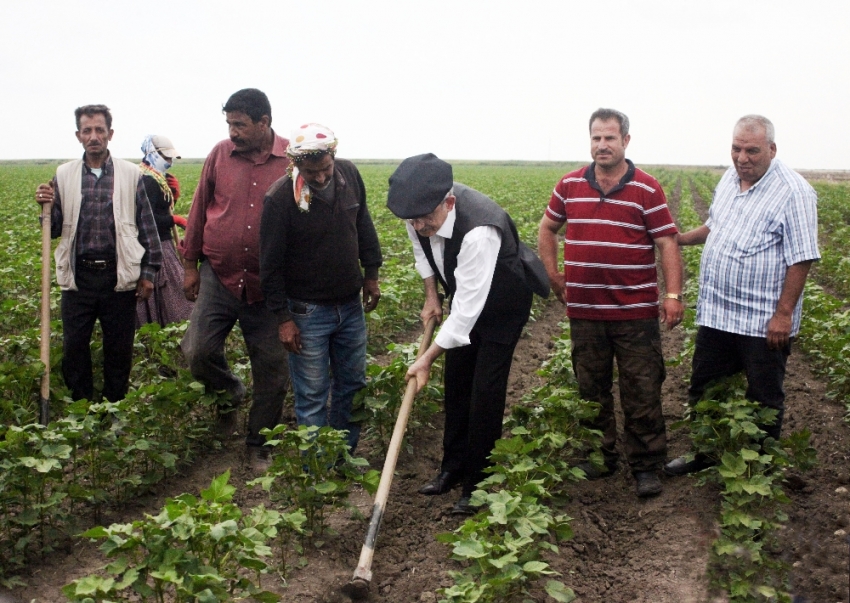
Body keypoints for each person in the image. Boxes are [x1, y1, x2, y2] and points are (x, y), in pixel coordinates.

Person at [386, 153, 548, 515]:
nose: (419, 225)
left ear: (450, 202)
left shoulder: (479, 231)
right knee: (457, 384)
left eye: (427, 218)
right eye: (413, 220)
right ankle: (452, 468)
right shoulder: (417, 212)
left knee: (485, 392)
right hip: (465, 297)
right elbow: (422, 252)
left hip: (502, 306)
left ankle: (478, 484)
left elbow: (466, 314)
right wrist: (431, 295)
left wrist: (426, 359)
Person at [538, 108, 684, 498]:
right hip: (585, 313)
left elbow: (667, 242)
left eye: (610, 138)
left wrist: (672, 296)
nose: (602, 145)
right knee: (591, 388)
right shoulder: (569, 185)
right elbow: (547, 228)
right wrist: (554, 275)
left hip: (634, 313)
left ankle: (646, 464)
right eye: (596, 138)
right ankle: (599, 457)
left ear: (626, 142)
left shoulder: (647, 189)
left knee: (642, 388)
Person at [664, 115, 820, 477]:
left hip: (762, 320)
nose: (742, 157)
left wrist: (783, 315)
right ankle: (705, 452)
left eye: (751, 150)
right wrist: (681, 239)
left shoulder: (794, 192)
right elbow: (716, 224)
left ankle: (759, 469)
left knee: (763, 396)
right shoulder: (729, 179)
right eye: (736, 148)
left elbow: (802, 258)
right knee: (705, 385)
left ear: (771, 149)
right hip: (718, 313)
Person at [180, 89, 290, 470]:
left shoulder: (291, 160)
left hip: (268, 284)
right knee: (197, 352)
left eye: (239, 124)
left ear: (264, 123)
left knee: (272, 366)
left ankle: (259, 442)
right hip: (219, 274)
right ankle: (228, 394)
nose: (233, 132)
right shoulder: (219, 155)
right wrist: (190, 264)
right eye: (229, 123)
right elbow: (198, 208)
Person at [260, 123, 383, 453]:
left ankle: (344, 458)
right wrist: (283, 319)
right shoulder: (280, 198)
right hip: (307, 311)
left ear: (333, 156)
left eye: (324, 169)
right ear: (296, 165)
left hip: (350, 306)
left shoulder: (348, 175)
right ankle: (316, 471)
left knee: (352, 385)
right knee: (312, 394)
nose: (320, 177)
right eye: (310, 172)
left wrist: (371, 273)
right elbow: (269, 267)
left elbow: (363, 224)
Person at [35, 104, 162, 403]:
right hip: (79, 276)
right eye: (87, 130)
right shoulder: (63, 174)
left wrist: (148, 273)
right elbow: (53, 229)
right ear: (78, 135)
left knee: (119, 347)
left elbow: (147, 228)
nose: (94, 136)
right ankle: (81, 406)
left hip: (117, 275)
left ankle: (114, 405)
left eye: (99, 130)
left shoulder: (131, 174)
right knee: (74, 346)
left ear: (110, 134)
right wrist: (45, 205)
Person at [135, 134, 194, 328]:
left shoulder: (158, 178)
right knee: (173, 286)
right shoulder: (147, 180)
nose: (169, 162)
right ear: (153, 154)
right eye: (166, 157)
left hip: (164, 241)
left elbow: (160, 208)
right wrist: (174, 220)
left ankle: (165, 328)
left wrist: (172, 198)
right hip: (155, 244)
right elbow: (148, 219)